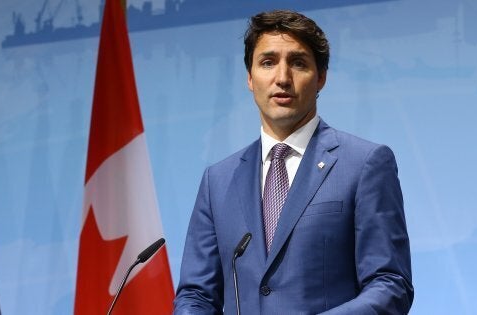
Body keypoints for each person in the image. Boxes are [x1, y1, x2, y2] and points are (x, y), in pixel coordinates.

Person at [173, 9, 413, 314]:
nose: (282, 78)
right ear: (250, 77)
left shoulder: (365, 164)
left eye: (298, 63)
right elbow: (196, 296)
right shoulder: (217, 180)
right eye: (268, 62)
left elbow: (390, 284)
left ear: (321, 78)